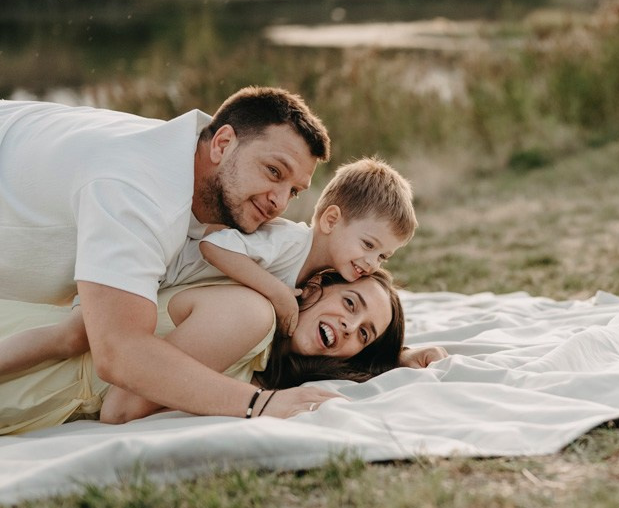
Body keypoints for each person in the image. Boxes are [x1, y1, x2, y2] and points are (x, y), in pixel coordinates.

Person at [0, 87, 344, 419]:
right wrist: (259, 404)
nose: (279, 202)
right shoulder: (139, 192)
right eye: (273, 172)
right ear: (222, 143)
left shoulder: (196, 158)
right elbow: (119, 352)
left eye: (294, 192)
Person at [0, 156, 419, 375]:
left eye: (382, 257)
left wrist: (394, 355)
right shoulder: (292, 243)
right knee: (73, 336)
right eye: (368, 245)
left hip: (165, 291)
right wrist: (274, 291)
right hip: (147, 269)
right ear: (330, 220)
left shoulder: (316, 278)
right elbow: (214, 248)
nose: (370, 263)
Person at [0, 270, 411, 435]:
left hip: (34, 397)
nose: (348, 327)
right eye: (351, 304)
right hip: (26, 361)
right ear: (318, 285)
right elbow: (121, 407)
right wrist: (260, 405)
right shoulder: (250, 313)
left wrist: (399, 359)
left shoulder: (263, 358)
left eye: (364, 335)